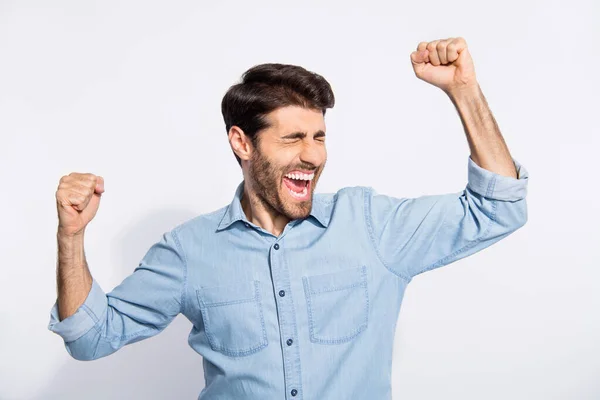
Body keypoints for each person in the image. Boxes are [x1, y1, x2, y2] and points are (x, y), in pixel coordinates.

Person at [48, 37, 529, 399]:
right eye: (293, 138)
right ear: (242, 143)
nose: (313, 156)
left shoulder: (370, 224)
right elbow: (92, 338)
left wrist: (464, 91)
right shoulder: (188, 251)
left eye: (319, 137)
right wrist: (71, 237)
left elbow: (498, 208)